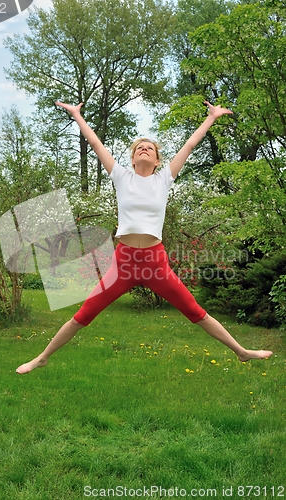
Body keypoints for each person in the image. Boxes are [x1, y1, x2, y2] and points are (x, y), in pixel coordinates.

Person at [16, 101, 273, 374]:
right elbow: (95, 143)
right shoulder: (121, 177)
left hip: (155, 263)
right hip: (123, 263)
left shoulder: (163, 179)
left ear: (157, 160)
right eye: (139, 147)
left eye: (149, 147)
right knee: (83, 315)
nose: (144, 149)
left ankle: (242, 352)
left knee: (195, 312)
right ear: (132, 158)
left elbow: (189, 146)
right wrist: (78, 116)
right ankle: (43, 357)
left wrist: (211, 118)